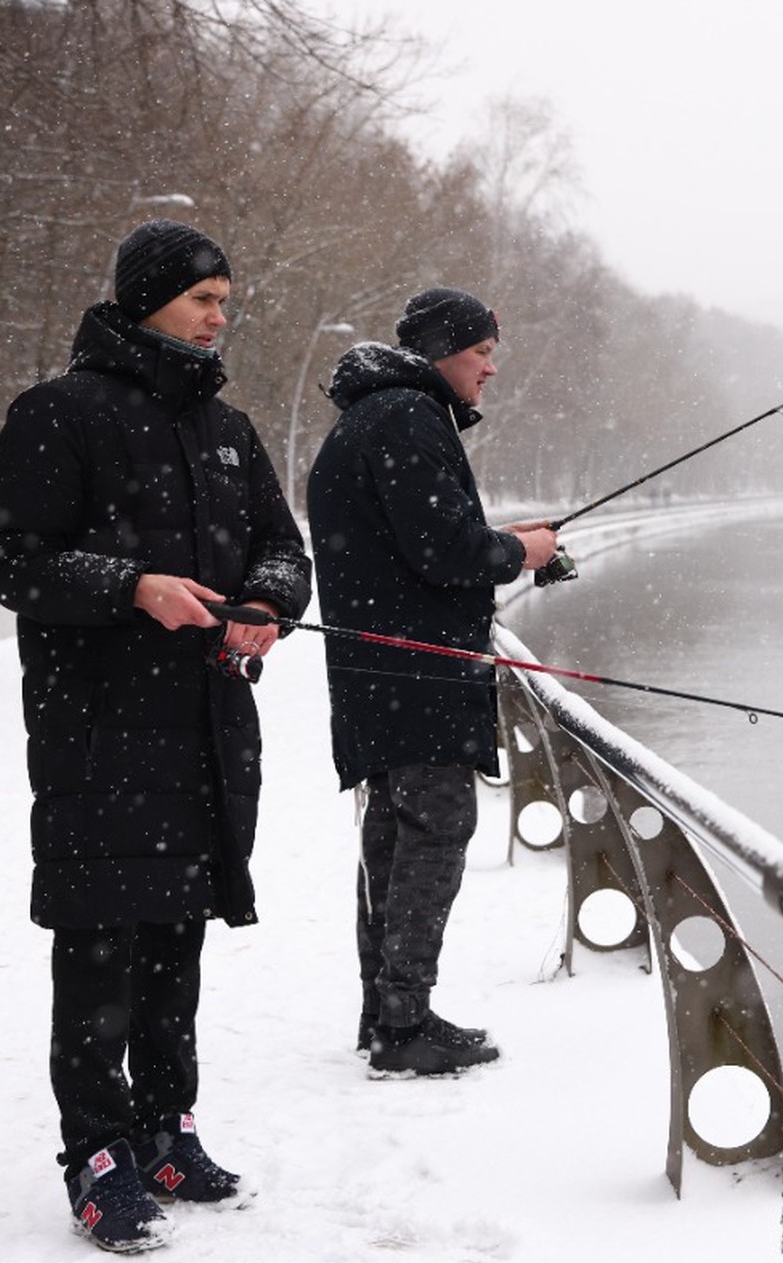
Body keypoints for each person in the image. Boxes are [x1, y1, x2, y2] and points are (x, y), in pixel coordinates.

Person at [0, 220, 312, 1253]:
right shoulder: (56, 413)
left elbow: (283, 547)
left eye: (225, 301)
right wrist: (132, 587)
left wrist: (267, 604)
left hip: (207, 727)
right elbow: (9, 558)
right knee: (98, 947)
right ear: (148, 298)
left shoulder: (227, 427)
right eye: (204, 298)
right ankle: (98, 1154)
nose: (219, 317)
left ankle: (168, 1128)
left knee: (177, 937)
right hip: (97, 735)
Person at [306, 287, 556, 1078]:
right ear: (445, 349)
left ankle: (383, 1011)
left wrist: (501, 542)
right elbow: (444, 550)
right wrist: (521, 554)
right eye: (482, 351)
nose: (491, 367)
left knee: (392, 835)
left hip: (380, 673)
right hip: (416, 672)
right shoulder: (408, 417)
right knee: (436, 828)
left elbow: (416, 536)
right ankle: (404, 1021)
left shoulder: (370, 417)